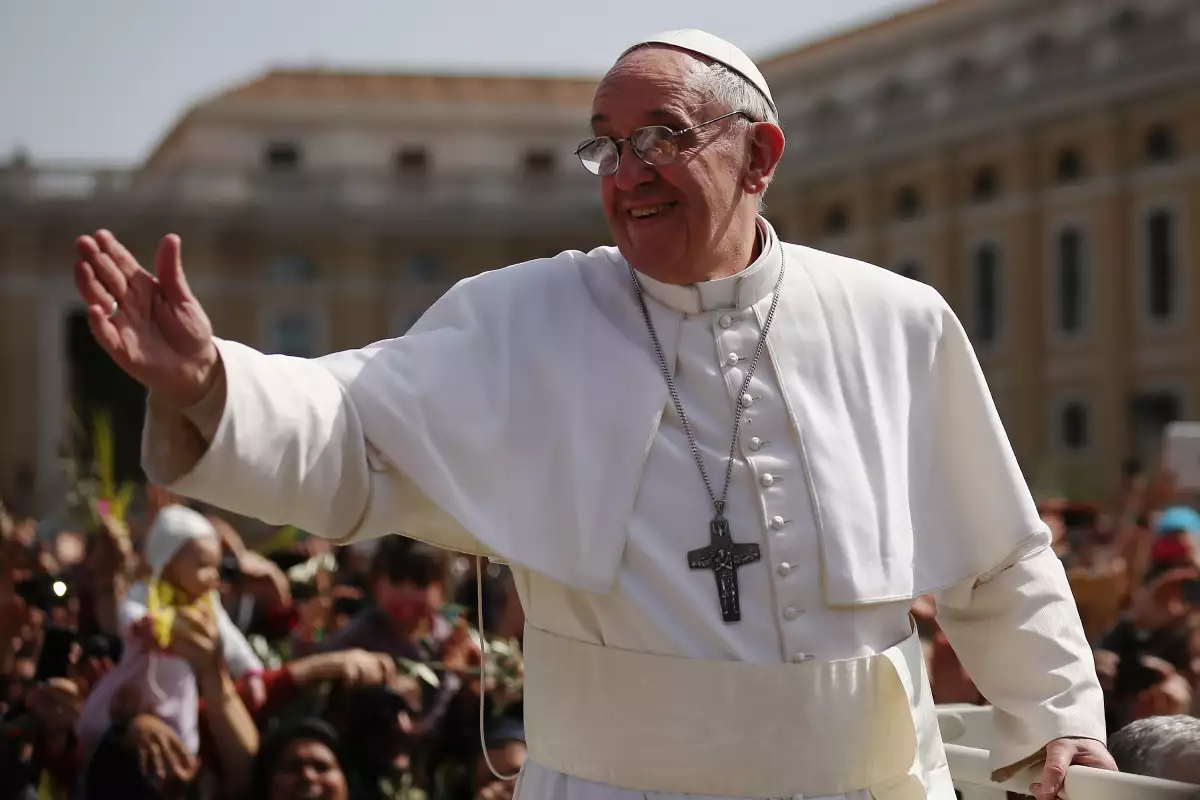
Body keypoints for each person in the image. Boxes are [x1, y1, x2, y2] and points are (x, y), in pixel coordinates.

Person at [73, 28, 1112, 800]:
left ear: (760, 156)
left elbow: (998, 558)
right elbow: (348, 425)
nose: (627, 175)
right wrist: (214, 384)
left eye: (661, 137)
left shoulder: (897, 323)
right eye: (605, 148)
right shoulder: (522, 319)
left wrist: (1062, 719)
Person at [76, 504, 263, 758]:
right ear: (170, 562)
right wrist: (139, 624)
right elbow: (128, 609)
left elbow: (230, 639)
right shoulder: (149, 593)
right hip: (137, 674)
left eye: (216, 567)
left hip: (178, 684)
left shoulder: (206, 605)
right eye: (203, 565)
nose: (213, 577)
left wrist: (250, 671)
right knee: (95, 724)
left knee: (183, 736)